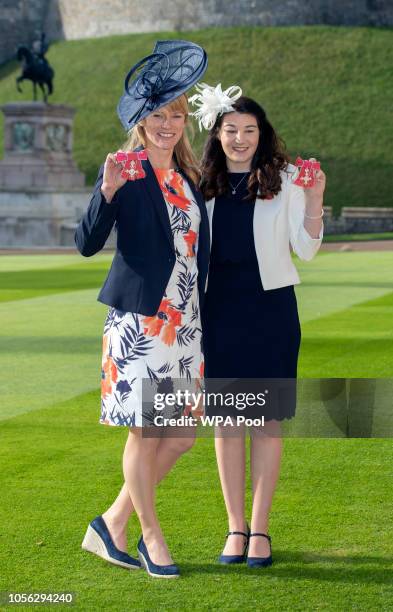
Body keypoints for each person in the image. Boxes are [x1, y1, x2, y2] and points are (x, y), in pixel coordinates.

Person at [75, 40, 209, 579]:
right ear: (141, 121)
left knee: (180, 436)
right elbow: (87, 243)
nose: (167, 124)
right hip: (140, 323)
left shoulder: (188, 178)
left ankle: (111, 523)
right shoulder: (125, 171)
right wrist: (105, 192)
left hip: (185, 324)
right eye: (157, 114)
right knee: (147, 432)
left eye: (176, 114)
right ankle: (150, 536)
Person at [189, 83, 326, 568]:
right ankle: (234, 528)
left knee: (266, 423)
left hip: (271, 313)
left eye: (250, 130)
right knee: (226, 423)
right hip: (217, 313)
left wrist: (315, 198)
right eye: (232, 130)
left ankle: (261, 531)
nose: (241, 138)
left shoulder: (286, 179)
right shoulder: (199, 182)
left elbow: (306, 249)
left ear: (262, 134)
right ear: (217, 134)